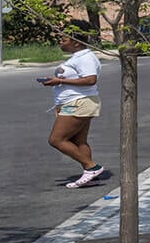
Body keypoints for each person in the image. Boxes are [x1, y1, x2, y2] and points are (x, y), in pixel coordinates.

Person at [43, 21, 108, 189]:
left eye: (64, 39)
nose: (60, 42)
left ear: (76, 42)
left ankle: (91, 167)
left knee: (56, 139)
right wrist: (59, 82)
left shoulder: (85, 57)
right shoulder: (79, 57)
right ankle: (89, 174)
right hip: (79, 101)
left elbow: (90, 79)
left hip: (78, 102)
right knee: (80, 141)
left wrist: (59, 80)